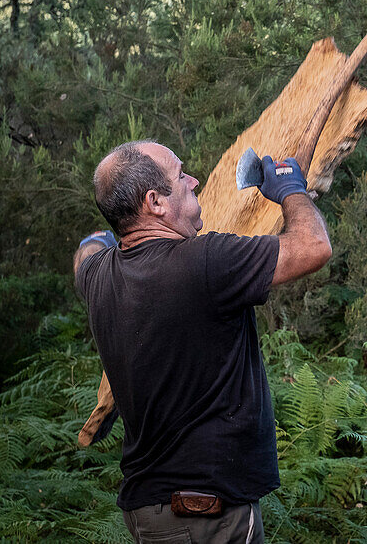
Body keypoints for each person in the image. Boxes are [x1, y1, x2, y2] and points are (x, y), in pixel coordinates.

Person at [74, 140, 331, 543]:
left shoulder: (96, 277)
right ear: (155, 202)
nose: (193, 179)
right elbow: (314, 247)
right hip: (208, 517)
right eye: (181, 176)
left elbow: (83, 254)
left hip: (148, 514)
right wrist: (290, 189)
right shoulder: (205, 262)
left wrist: (105, 236)